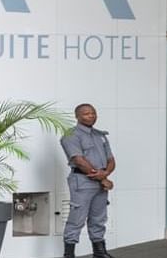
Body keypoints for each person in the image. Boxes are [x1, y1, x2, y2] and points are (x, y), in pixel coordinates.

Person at [61, 103, 115, 258]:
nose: (91, 116)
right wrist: (103, 178)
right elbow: (79, 160)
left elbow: (111, 159)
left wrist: (104, 175)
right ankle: (69, 254)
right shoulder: (71, 135)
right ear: (77, 116)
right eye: (86, 113)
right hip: (82, 182)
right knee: (76, 219)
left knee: (99, 218)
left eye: (93, 113)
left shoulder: (100, 135)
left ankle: (99, 251)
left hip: (100, 183)